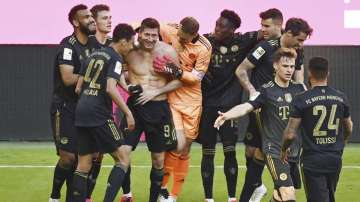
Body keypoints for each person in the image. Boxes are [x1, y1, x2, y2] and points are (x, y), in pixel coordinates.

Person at [235, 16, 312, 202]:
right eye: (299, 39)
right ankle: (256, 192)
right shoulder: (266, 47)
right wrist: (253, 92)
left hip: (284, 112)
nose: (301, 44)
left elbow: (300, 82)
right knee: (254, 154)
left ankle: (272, 194)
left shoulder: (297, 52)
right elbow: (241, 70)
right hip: (263, 109)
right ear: (288, 33)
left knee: (267, 156)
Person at [215, 48, 306, 202]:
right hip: (274, 150)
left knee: (279, 195)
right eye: (285, 66)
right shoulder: (266, 91)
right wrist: (227, 115)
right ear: (276, 66)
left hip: (294, 150)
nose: (289, 70)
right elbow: (246, 106)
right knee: (288, 194)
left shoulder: (300, 89)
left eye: (292, 66)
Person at [198, 9, 260, 202]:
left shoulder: (242, 41)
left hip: (230, 109)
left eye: (222, 26)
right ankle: (209, 199)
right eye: (216, 24)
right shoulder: (205, 41)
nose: (217, 28)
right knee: (207, 153)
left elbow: (267, 32)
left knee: (230, 153)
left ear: (233, 30)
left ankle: (232, 197)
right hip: (207, 106)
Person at [119, 18, 182, 202]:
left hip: (159, 108)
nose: (150, 38)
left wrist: (157, 91)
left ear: (158, 34)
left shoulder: (168, 51)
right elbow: (117, 73)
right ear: (140, 33)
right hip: (136, 107)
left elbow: (179, 80)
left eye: (154, 35)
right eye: (147, 34)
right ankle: (127, 194)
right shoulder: (130, 51)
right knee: (123, 152)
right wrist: (126, 87)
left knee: (158, 160)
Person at [71, 23, 136, 202]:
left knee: (83, 164)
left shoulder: (92, 55)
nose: (131, 48)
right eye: (131, 43)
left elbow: (78, 88)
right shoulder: (115, 58)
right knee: (123, 158)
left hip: (82, 111)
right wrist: (128, 113)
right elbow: (110, 88)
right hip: (98, 114)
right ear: (123, 41)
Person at [155, 17, 212, 202]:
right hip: (172, 96)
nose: (179, 39)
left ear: (193, 35)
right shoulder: (169, 28)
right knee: (174, 144)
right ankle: (162, 188)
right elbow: (143, 25)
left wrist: (177, 71)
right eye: (178, 35)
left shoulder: (204, 47)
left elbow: (196, 78)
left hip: (192, 100)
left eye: (184, 38)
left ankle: (173, 195)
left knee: (185, 147)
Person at [281, 57, 353, 202]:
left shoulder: (301, 99)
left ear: (310, 73)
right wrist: (342, 142)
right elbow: (349, 127)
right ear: (328, 73)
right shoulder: (341, 97)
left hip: (312, 159)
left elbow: (289, 134)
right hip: (334, 158)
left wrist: (284, 149)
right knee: (330, 196)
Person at [49, 4, 95, 202]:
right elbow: (68, 78)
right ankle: (54, 196)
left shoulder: (95, 45)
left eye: (92, 15)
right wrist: (93, 77)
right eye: (86, 17)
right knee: (68, 158)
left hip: (85, 109)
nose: (91, 19)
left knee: (84, 159)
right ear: (76, 22)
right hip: (65, 108)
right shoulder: (68, 45)